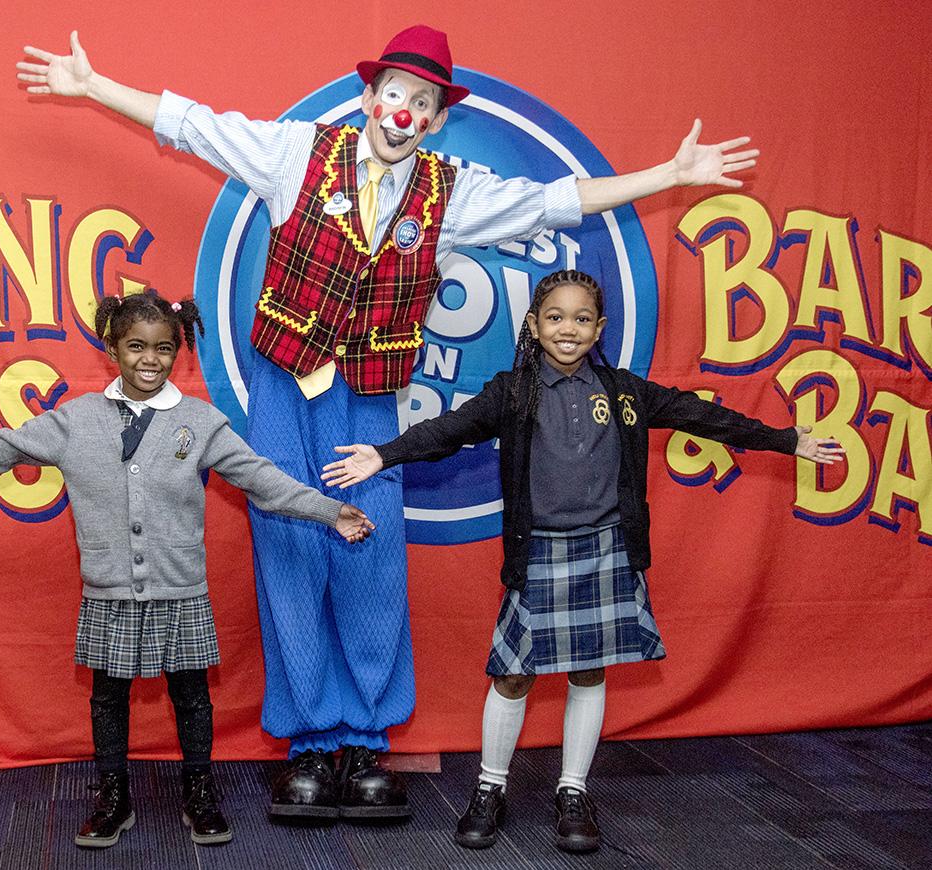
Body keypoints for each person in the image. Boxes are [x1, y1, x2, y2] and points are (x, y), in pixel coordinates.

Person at [16, 24, 760, 820]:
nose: (405, 112)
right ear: (370, 98)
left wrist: (669, 174)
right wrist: (93, 87)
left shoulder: (453, 193)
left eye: (423, 102)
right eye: (395, 94)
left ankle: (365, 740)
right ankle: (310, 743)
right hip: (284, 388)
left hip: (370, 399)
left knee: (369, 558)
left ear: (437, 118)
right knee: (291, 550)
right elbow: (193, 124)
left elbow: (556, 200)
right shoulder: (298, 154)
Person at [321, 269, 844, 853]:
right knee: (513, 674)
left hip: (606, 549)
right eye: (554, 317)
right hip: (539, 550)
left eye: (580, 318)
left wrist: (786, 440)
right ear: (534, 325)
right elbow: (449, 429)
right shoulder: (511, 392)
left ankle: (573, 791)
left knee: (590, 670)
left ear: (598, 329)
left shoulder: (624, 392)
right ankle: (490, 788)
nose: (567, 329)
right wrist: (384, 454)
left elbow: (702, 416)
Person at [0, 290, 374, 849]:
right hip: (108, 590)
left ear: (177, 353)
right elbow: (5, 447)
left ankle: (200, 791)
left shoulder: (199, 422)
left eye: (164, 348)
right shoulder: (76, 420)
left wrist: (330, 511)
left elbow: (263, 479)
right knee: (108, 698)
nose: (150, 359)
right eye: (136, 346)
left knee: (192, 696)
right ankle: (113, 796)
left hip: (180, 589)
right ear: (112, 348)